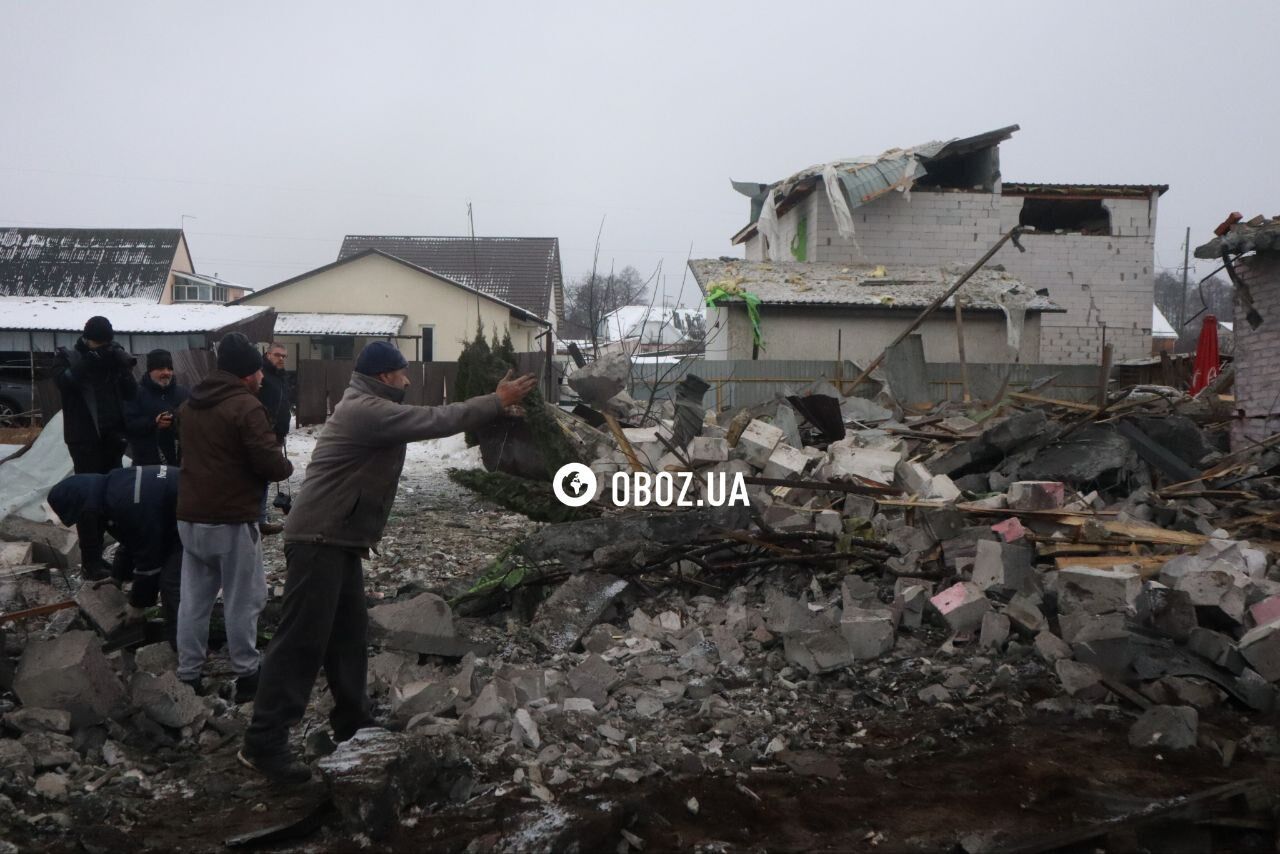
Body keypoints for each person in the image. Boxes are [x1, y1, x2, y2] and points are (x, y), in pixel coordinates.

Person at [239, 341, 536, 783]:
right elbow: (435, 420)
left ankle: (352, 721)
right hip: (318, 537)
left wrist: (493, 408)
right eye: (402, 373)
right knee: (302, 640)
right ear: (383, 376)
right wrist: (495, 401)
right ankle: (264, 742)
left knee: (348, 634)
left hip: (337, 537)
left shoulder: (371, 403)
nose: (408, 379)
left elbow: (434, 415)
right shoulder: (366, 410)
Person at [176, 333, 293, 699]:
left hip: (191, 516)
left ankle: (188, 674)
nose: (262, 377)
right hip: (230, 519)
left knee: (194, 601)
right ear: (246, 374)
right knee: (245, 599)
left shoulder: (190, 406)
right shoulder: (246, 407)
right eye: (258, 371)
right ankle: (247, 675)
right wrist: (284, 464)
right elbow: (271, 464)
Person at [46, 465, 183, 645]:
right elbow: (131, 540)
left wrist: (137, 605)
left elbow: (149, 560)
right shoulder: (113, 488)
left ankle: (184, 654)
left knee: (170, 584)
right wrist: (118, 575)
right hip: (180, 514)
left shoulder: (127, 502)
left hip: (200, 517)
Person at [52, 315, 138, 580]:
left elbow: (131, 393)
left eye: (106, 343)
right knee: (89, 501)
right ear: (86, 339)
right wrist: (90, 361)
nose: (102, 347)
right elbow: (64, 384)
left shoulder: (112, 357)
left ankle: (106, 558)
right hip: (84, 441)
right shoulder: (68, 357)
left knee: (111, 498)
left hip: (112, 439)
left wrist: (122, 368)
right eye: (98, 343)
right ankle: (91, 562)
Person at [125, 349, 189, 466]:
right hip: (148, 465)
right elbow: (128, 424)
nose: (166, 372)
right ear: (150, 371)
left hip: (179, 465)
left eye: (169, 369)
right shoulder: (136, 394)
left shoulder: (183, 393)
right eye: (160, 369)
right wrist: (153, 422)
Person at [256, 342, 291, 535]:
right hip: (264, 434)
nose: (281, 359)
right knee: (262, 476)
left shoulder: (280, 377)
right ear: (268, 355)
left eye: (284, 356)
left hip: (277, 434)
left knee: (267, 477)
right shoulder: (261, 375)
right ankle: (259, 518)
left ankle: (260, 516)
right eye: (278, 355)